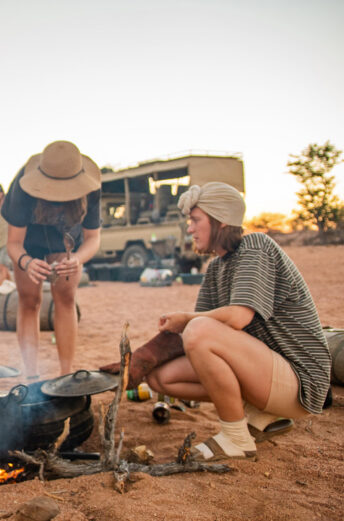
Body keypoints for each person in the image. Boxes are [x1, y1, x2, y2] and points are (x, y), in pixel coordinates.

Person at [108, 182, 331, 462]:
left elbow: (237, 317)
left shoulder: (256, 247)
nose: (189, 229)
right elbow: (191, 339)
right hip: (266, 372)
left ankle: (236, 438)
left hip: (301, 381)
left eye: (195, 220)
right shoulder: (216, 267)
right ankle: (263, 414)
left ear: (221, 221)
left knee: (200, 330)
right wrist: (142, 358)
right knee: (160, 377)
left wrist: (188, 319)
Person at [1, 141, 102, 379]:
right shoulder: (22, 188)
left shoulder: (91, 188)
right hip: (29, 239)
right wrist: (26, 261)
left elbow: (93, 239)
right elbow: (13, 243)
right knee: (29, 300)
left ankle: (66, 375)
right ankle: (32, 376)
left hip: (66, 238)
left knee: (66, 297)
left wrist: (77, 259)